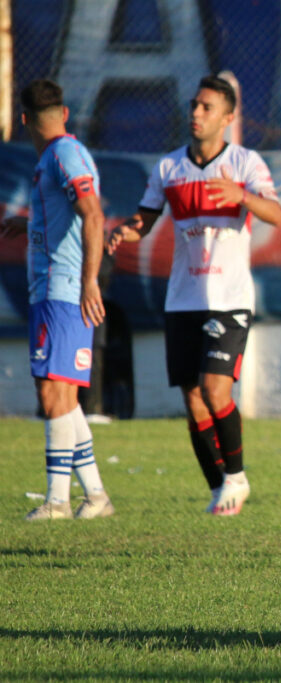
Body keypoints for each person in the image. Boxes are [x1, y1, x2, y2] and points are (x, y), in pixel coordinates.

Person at [106, 75, 281, 516]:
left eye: (207, 107)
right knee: (192, 398)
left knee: (214, 389)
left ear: (228, 117)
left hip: (228, 298)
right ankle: (219, 487)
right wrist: (127, 230)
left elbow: (276, 214)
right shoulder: (169, 167)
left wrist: (241, 195)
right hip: (182, 298)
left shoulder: (245, 162)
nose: (196, 114)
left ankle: (237, 477)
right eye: (194, 105)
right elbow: (146, 220)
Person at [0, 79, 113, 520]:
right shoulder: (57, 156)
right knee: (60, 394)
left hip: (63, 289)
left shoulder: (64, 154)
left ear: (23, 119)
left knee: (52, 393)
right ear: (64, 113)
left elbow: (93, 214)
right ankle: (96, 496)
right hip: (57, 289)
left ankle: (57, 501)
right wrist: (28, 223)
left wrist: (89, 281)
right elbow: (70, 211)